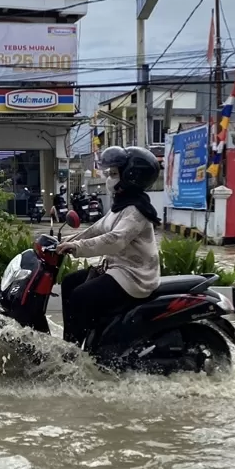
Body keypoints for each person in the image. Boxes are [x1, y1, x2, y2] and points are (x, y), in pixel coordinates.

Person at [56, 146, 162, 347]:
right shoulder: (120, 206)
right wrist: (67, 243)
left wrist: (77, 248)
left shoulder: (135, 211)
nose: (109, 178)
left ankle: (77, 352)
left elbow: (115, 240)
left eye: (114, 174)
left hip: (134, 276)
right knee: (70, 282)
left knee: (80, 296)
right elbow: (97, 229)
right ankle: (72, 342)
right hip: (118, 269)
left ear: (131, 177)